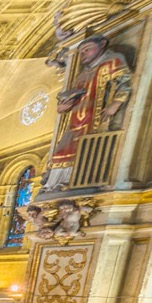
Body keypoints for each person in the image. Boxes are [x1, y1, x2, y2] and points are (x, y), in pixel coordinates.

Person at [44, 35, 132, 191]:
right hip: (75, 120)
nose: (83, 55)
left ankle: (75, 182)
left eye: (87, 49)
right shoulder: (82, 73)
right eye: (81, 52)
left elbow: (125, 81)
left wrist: (116, 103)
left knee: (87, 149)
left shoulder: (112, 61)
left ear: (103, 44)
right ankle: (56, 184)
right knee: (62, 150)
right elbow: (72, 95)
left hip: (96, 118)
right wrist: (62, 108)